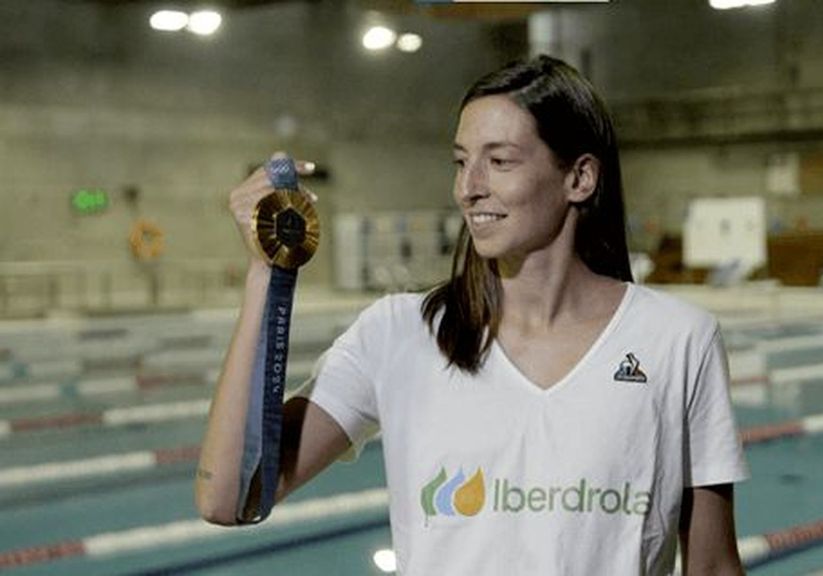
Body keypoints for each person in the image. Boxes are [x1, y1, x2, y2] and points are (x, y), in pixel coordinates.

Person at [195, 55, 749, 575]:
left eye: (499, 161)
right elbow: (227, 497)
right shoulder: (398, 335)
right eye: (461, 162)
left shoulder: (676, 339)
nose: (469, 188)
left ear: (579, 178)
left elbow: (713, 567)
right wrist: (267, 272)